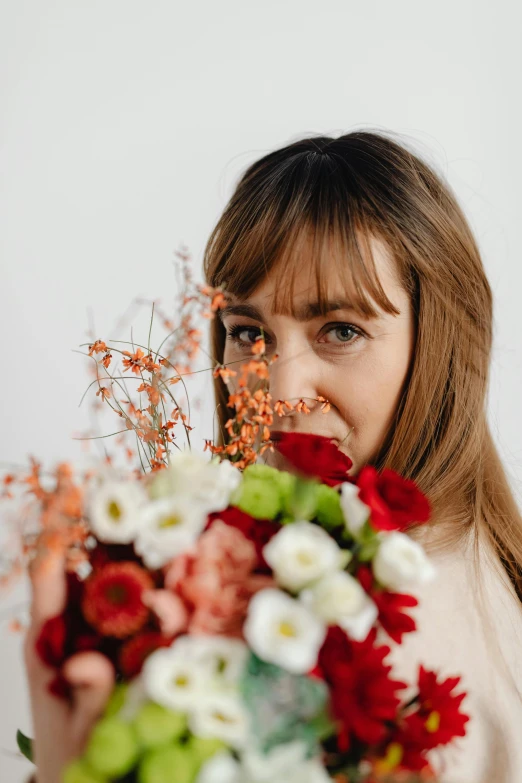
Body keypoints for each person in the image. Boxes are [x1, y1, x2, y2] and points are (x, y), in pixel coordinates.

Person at [24, 130, 522, 783]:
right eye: (249, 333)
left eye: (341, 330)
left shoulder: (371, 650)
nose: (280, 393)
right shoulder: (458, 566)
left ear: (442, 345)